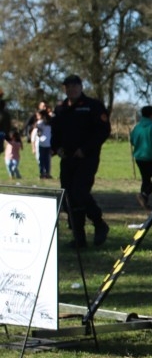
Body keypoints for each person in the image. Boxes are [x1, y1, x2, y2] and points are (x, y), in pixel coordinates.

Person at [51, 74, 112, 248]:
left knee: (80, 192)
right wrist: (57, 148)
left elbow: (103, 131)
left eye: (74, 86)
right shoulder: (61, 109)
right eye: (67, 87)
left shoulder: (92, 106)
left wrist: (85, 149)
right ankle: (79, 238)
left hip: (87, 158)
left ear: (81, 87)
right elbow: (55, 133)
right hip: (67, 158)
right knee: (68, 197)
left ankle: (99, 223)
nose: (71, 89)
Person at [130, 105, 152, 210]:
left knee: (145, 179)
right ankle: (144, 195)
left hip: (138, 157)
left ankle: (144, 202)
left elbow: (132, 140)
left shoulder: (137, 127)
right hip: (150, 158)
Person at [31, 107, 53, 179]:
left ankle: (42, 173)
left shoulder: (40, 123)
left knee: (41, 159)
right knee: (47, 160)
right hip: (49, 143)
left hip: (42, 143)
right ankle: (47, 173)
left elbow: (38, 132)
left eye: (38, 115)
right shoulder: (50, 123)